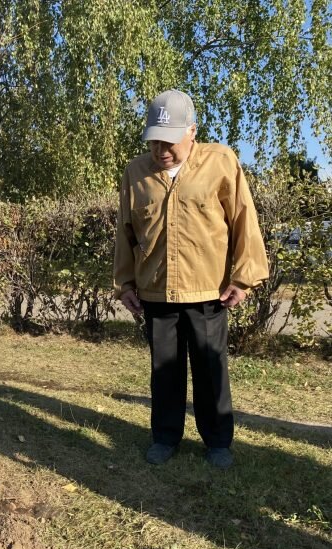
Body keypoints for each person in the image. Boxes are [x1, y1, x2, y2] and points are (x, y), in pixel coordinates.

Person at [113, 90, 268, 469]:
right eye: (154, 139)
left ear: (192, 131)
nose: (161, 148)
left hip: (208, 291)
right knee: (164, 372)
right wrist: (126, 284)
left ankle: (217, 441)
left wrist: (244, 279)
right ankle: (165, 437)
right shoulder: (136, 172)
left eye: (169, 139)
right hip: (156, 291)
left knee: (210, 368)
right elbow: (125, 232)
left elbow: (243, 220)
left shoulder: (221, 163)